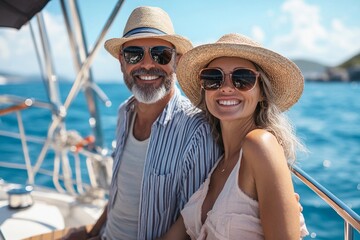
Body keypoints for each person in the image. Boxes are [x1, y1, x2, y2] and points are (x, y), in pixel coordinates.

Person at [62, 6, 221, 240]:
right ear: (121, 62)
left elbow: (192, 227)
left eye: (161, 54)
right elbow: (120, 196)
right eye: (134, 54)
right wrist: (90, 232)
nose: (147, 64)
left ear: (178, 60)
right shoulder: (124, 113)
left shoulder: (196, 131)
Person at [159, 33, 309, 239]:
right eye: (213, 78)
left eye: (242, 78)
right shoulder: (219, 162)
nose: (227, 86)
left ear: (262, 92)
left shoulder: (260, 145)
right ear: (205, 89)